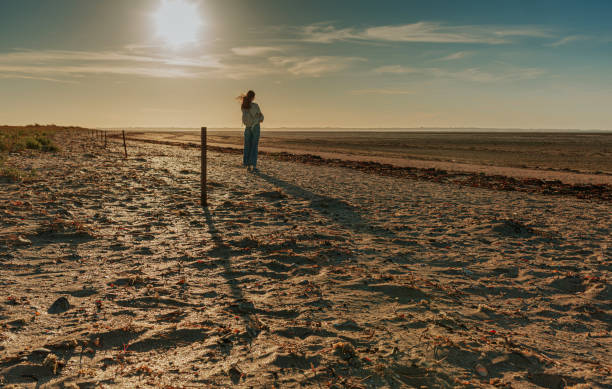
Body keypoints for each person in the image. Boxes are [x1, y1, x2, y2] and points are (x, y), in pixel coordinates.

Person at [239, 90, 264, 172]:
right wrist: (259, 118)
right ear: (253, 97)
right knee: (254, 146)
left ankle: (247, 165)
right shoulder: (255, 105)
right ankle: (253, 165)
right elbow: (260, 117)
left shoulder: (243, 106)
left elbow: (246, 118)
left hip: (247, 128)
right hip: (255, 127)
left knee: (247, 146)